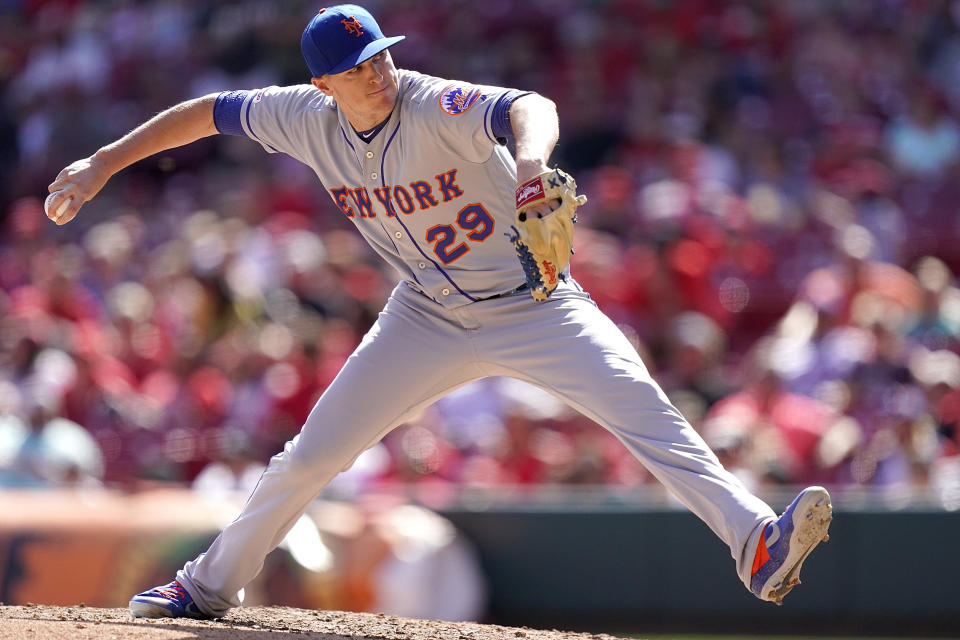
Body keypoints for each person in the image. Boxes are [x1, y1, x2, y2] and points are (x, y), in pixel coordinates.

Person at [46, 4, 832, 619]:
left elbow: (531, 105)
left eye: (383, 53)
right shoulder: (300, 116)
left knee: (655, 423)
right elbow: (209, 110)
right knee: (310, 456)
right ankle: (208, 587)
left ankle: (757, 546)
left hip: (537, 305)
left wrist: (529, 166)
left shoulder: (430, 102)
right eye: (359, 66)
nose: (380, 70)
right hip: (423, 316)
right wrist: (104, 162)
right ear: (325, 85)